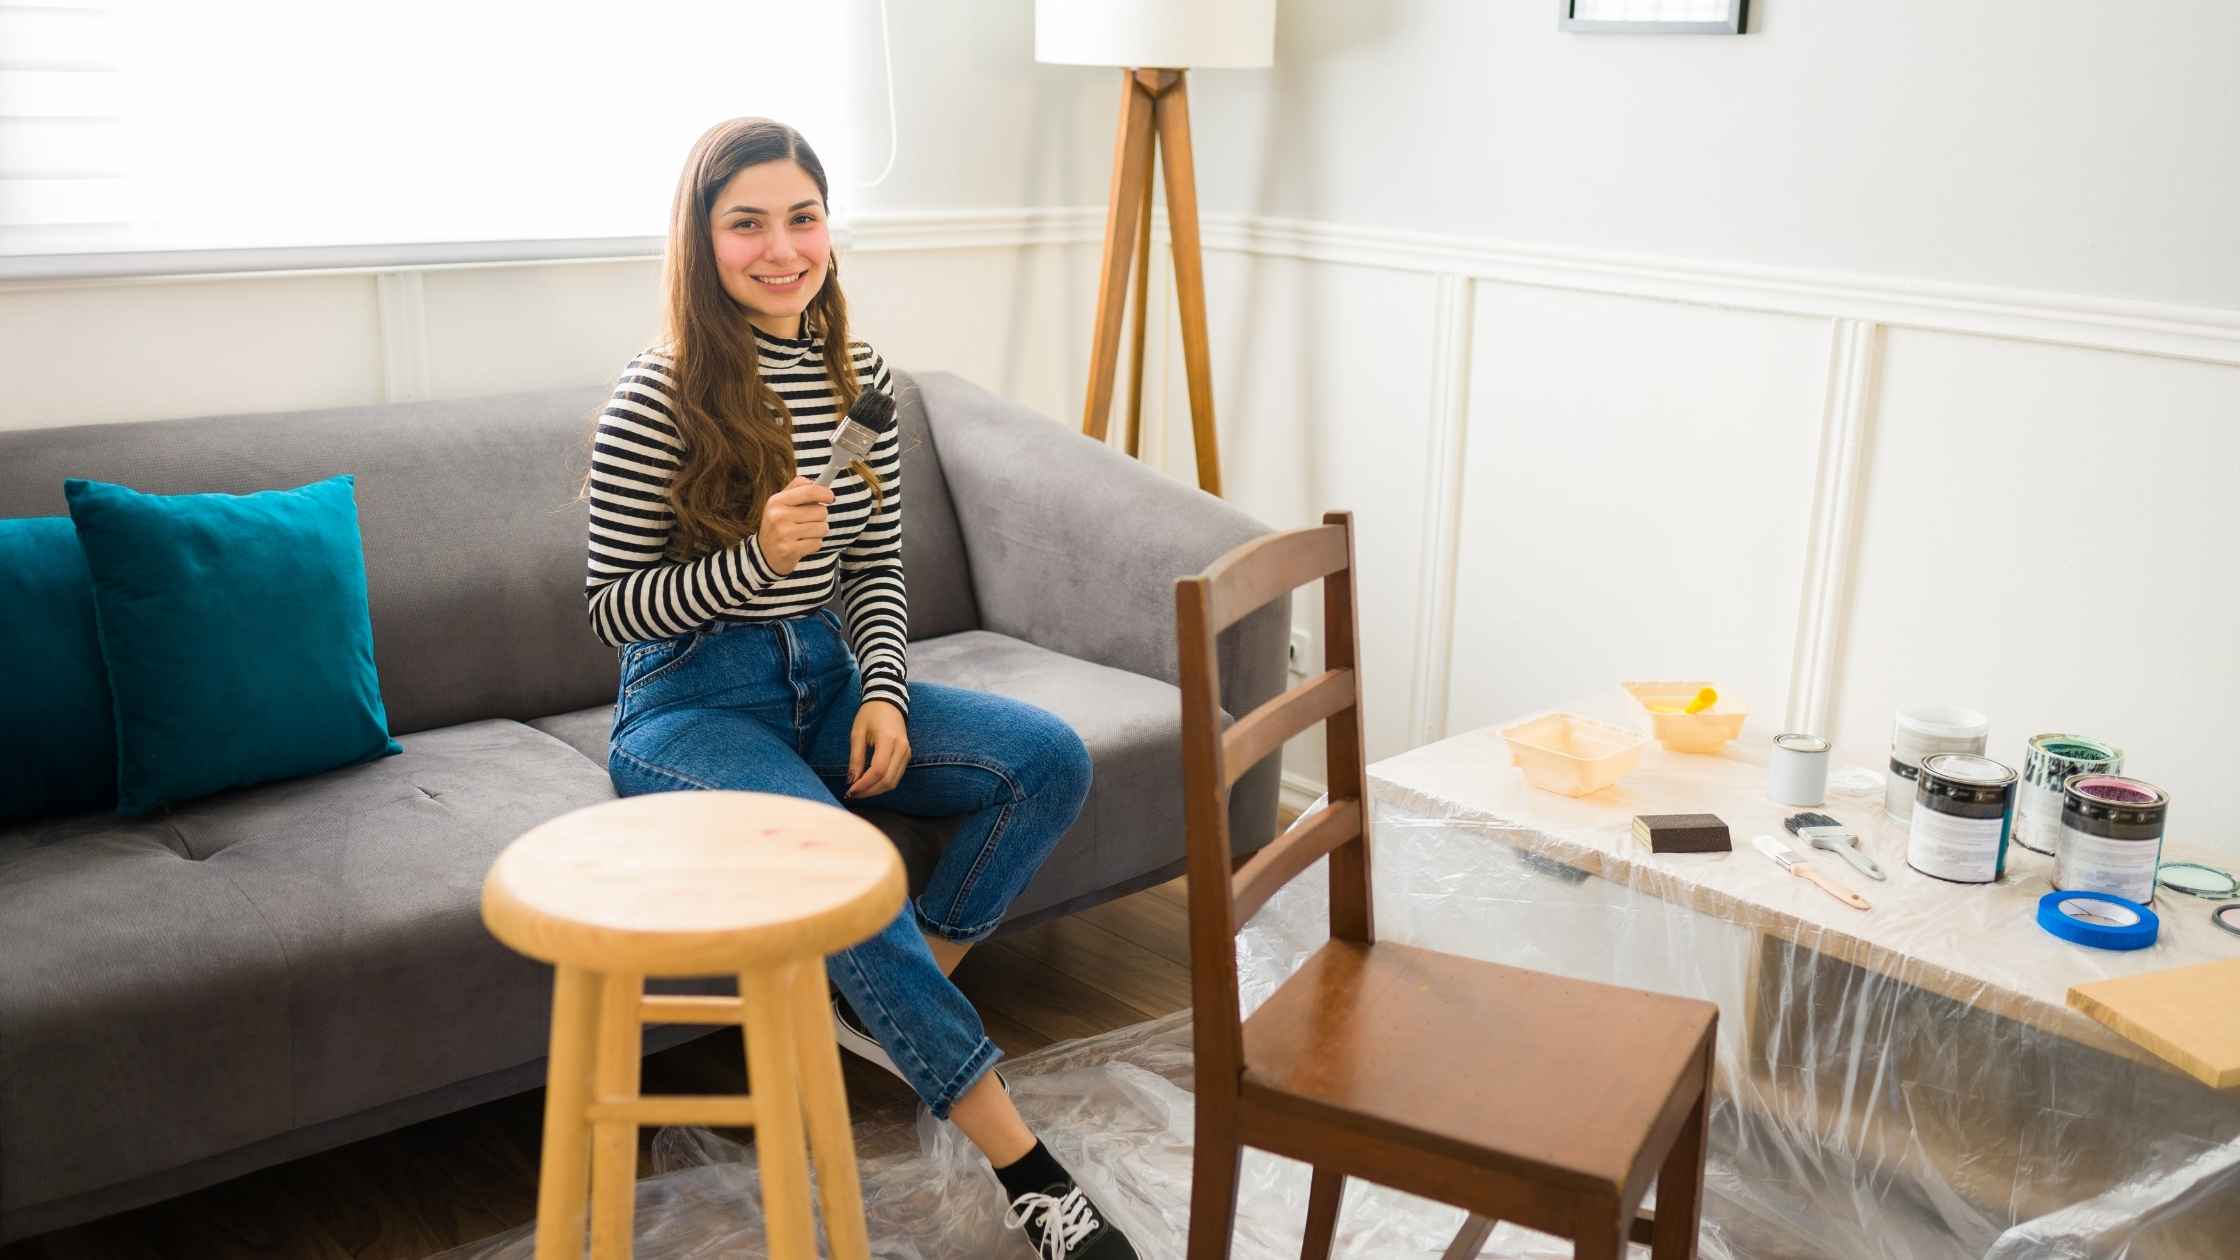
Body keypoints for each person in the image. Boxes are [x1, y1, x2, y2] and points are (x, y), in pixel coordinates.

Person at [576, 116, 1136, 1259]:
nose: (780, 249)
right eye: (746, 224)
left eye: (801, 218)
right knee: (846, 867)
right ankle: (1027, 1168)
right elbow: (612, 612)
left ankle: (885, 1004)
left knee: (1044, 760)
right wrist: (754, 563)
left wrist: (880, 691)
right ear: (701, 241)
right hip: (688, 706)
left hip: (825, 683)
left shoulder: (857, 378)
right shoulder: (656, 393)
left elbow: (874, 564)